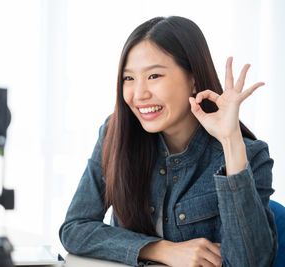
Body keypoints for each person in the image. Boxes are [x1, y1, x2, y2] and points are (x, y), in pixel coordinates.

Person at [59, 16, 277, 267]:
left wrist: (230, 141)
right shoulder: (116, 133)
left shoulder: (249, 155)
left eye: (154, 76)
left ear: (193, 79)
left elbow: (249, 263)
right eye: (128, 78)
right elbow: (75, 228)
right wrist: (160, 249)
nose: (139, 94)